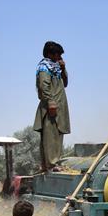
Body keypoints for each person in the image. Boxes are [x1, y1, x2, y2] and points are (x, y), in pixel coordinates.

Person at [33, 41, 70, 172]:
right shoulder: (44, 67)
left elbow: (65, 83)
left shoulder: (56, 68)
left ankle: (53, 162)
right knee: (50, 135)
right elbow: (44, 86)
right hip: (51, 106)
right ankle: (51, 164)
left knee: (57, 134)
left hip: (60, 105)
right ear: (49, 54)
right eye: (57, 54)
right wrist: (50, 102)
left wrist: (63, 68)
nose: (59, 57)